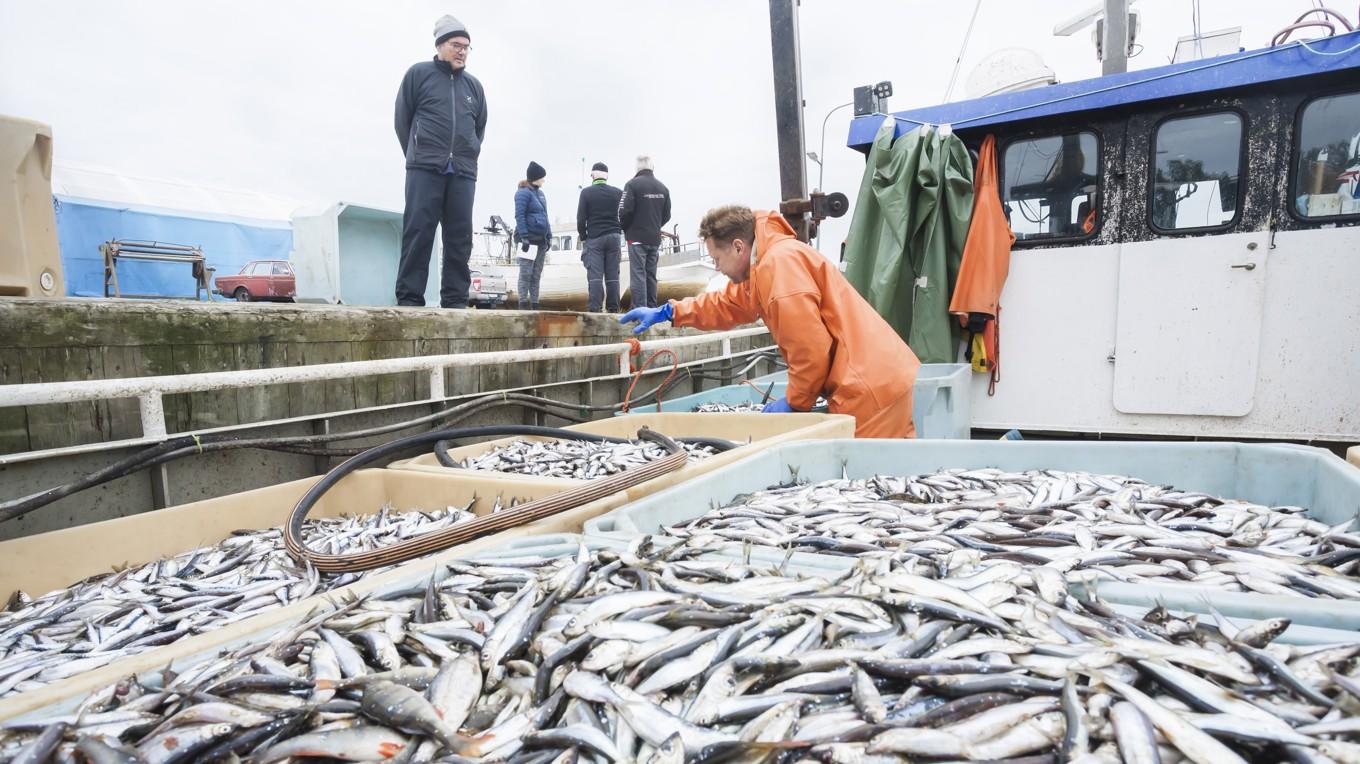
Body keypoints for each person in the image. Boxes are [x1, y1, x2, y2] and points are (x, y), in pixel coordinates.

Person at [620, 205, 921, 438]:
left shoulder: (779, 267)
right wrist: (669, 313)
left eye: (716, 258)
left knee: (870, 488)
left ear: (738, 247)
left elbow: (811, 351)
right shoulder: (764, 265)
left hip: (868, 386)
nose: (717, 267)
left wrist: (795, 402)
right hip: (871, 377)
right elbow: (726, 304)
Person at [393, 15, 488, 308]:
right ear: (440, 45)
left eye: (467, 47)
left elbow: (479, 129)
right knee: (419, 231)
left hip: (462, 172)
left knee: (460, 238)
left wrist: (468, 153)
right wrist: (418, 153)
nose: (462, 51)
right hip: (424, 167)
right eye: (456, 44)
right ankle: (409, 299)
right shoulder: (417, 74)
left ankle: (455, 300)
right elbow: (402, 121)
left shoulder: (474, 87)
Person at [618, 155, 671, 309]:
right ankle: (652, 308)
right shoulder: (663, 188)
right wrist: (655, 226)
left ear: (637, 168)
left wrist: (627, 228)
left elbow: (623, 211)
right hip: (654, 238)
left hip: (636, 238)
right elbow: (667, 214)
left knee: (638, 274)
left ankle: (641, 310)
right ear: (652, 167)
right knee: (651, 275)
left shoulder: (632, 185)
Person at [575, 162, 623, 312]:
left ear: (592, 175)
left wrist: (584, 236)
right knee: (612, 275)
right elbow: (624, 214)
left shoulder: (586, 193)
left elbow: (581, 218)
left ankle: (595, 308)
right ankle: (613, 308)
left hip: (595, 238)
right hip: (614, 237)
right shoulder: (618, 192)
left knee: (595, 276)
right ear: (607, 176)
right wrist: (619, 230)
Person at [513, 162, 550, 310]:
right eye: (542, 177)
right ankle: (523, 303)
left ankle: (535, 303)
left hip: (541, 240)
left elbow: (545, 216)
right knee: (525, 273)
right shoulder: (522, 193)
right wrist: (524, 237)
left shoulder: (541, 194)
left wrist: (549, 237)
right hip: (528, 240)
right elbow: (519, 215)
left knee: (536, 274)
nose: (544, 180)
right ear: (536, 177)